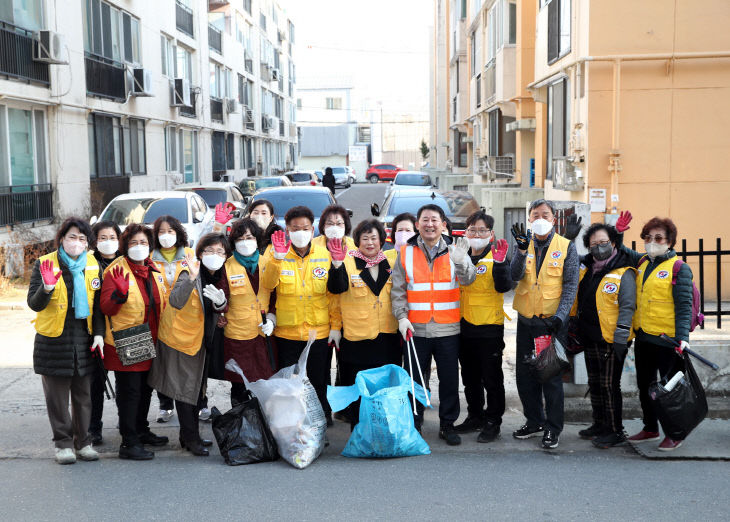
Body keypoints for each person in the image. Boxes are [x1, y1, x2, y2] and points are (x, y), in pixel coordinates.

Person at [391, 204, 476, 445]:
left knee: (449, 379)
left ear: (443, 225)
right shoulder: (406, 252)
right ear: (417, 225)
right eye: (425, 220)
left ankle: (447, 425)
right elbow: (398, 289)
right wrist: (401, 316)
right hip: (415, 327)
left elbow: (468, 280)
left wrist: (461, 261)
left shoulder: (455, 249)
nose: (430, 224)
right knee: (414, 378)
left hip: (447, 328)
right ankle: (415, 422)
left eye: (434, 220)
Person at [27, 217, 105, 465]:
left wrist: (100, 334)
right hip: (53, 341)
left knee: (84, 396)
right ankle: (63, 444)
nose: (77, 242)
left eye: (82, 238)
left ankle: (83, 443)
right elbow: (34, 303)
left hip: (83, 339)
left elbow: (98, 306)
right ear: (62, 238)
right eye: (72, 237)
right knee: (57, 398)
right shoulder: (44, 263)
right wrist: (47, 288)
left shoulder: (92, 264)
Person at [616, 213, 695, 451]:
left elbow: (684, 306)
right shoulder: (642, 263)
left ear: (670, 241)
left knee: (669, 392)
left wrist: (683, 339)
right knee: (645, 387)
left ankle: (675, 433)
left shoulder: (679, 268)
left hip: (669, 342)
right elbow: (620, 251)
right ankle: (650, 428)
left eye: (659, 238)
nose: (653, 242)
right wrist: (619, 232)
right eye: (648, 237)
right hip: (644, 339)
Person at [150, 234, 230, 456]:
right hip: (180, 340)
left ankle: (188, 436)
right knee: (185, 392)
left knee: (195, 391)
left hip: (200, 341)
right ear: (200, 253)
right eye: (210, 251)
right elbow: (176, 300)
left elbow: (215, 307)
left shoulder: (220, 275)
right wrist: (191, 278)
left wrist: (221, 305)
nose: (215, 256)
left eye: (220, 252)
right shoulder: (189, 271)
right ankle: (192, 439)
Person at [510, 199, 579, 449]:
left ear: (553, 219)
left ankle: (553, 428)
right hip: (526, 321)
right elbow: (513, 276)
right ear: (529, 219)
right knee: (525, 376)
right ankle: (534, 421)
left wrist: (560, 317)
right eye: (535, 214)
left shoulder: (566, 247)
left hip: (551, 323)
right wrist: (518, 252)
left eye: (545, 214)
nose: (540, 218)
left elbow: (571, 284)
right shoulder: (523, 244)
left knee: (550, 378)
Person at [261, 206, 336, 426]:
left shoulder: (325, 255)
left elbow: (333, 296)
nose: (300, 232)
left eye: (305, 228)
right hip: (287, 333)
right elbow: (267, 285)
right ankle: (293, 426)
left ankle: (320, 423)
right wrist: (277, 258)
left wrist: (336, 327)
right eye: (295, 228)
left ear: (312, 230)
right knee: (290, 385)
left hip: (318, 332)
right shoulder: (275, 252)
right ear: (287, 230)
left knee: (317, 382)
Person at [100, 224, 169, 460]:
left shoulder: (153, 268)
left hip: (153, 337)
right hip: (128, 339)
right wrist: (118, 295)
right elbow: (106, 308)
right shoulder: (115, 270)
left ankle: (141, 430)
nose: (139, 247)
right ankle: (129, 442)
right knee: (130, 393)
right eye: (133, 243)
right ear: (124, 245)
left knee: (146, 389)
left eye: (143, 243)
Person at [327, 219, 402, 427]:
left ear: (382, 240)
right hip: (357, 339)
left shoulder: (391, 262)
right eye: (365, 238)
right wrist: (335, 327)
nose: (370, 243)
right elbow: (335, 294)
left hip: (387, 338)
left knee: (385, 388)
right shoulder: (347, 261)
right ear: (357, 241)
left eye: (374, 238)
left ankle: (385, 429)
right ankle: (359, 431)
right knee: (358, 390)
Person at [573, 223, 636, 449]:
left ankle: (615, 430)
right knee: (595, 383)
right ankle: (599, 424)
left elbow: (628, 306)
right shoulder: (588, 267)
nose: (599, 248)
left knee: (610, 385)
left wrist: (621, 336)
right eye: (594, 245)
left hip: (612, 339)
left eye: (604, 243)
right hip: (590, 336)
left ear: (613, 243)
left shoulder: (624, 271)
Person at [453, 211, 511, 443]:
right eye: (472, 230)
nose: (477, 234)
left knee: (492, 378)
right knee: (469, 377)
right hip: (463, 326)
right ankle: (475, 416)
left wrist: (499, 263)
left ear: (491, 233)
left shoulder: (496, 256)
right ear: (466, 233)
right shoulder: (459, 255)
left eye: (482, 230)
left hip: (489, 328)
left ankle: (493, 421)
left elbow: (504, 286)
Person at [219, 219, 276, 406]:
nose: (245, 241)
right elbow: (221, 301)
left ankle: (265, 427)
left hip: (264, 335)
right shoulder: (226, 266)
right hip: (238, 336)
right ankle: (242, 427)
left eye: (250, 237)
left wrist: (272, 319)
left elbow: (277, 297)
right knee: (239, 386)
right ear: (233, 242)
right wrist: (220, 305)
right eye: (240, 238)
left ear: (257, 239)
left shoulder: (268, 263)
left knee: (265, 383)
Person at [149, 215, 194, 424]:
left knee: (189, 365)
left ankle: (199, 403)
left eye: (170, 231)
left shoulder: (189, 255)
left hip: (187, 318)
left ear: (178, 233)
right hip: (159, 318)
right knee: (162, 362)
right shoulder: (148, 257)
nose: (166, 236)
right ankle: (165, 405)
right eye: (161, 232)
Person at [87, 220, 122, 446]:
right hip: (95, 333)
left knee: (126, 383)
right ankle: (93, 428)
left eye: (112, 238)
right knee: (95, 385)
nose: (107, 242)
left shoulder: (126, 262)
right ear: (94, 241)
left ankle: (129, 424)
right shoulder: (88, 263)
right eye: (102, 238)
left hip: (122, 331)